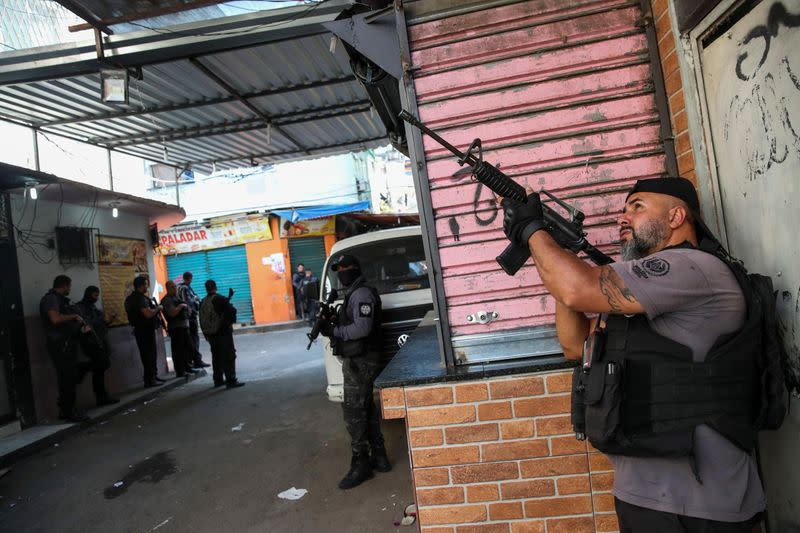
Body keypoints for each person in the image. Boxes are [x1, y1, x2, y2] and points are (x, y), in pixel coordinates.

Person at [500, 177, 765, 532]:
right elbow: (576, 345)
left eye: (637, 206)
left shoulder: (690, 267)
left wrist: (533, 229)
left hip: (700, 505)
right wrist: (562, 254)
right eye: (624, 209)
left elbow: (577, 289)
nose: (622, 217)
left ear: (676, 216)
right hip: (644, 496)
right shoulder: (642, 291)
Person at [320, 254, 391, 489]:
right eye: (338, 269)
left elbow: (362, 328)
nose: (342, 272)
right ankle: (380, 458)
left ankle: (361, 464)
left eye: (345, 268)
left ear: (355, 269)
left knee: (353, 412)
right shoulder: (353, 293)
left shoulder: (361, 294)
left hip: (363, 360)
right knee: (366, 408)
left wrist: (335, 331)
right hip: (359, 359)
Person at [39, 275, 89, 422]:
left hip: (66, 342)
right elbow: (55, 319)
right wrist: (73, 316)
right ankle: (68, 412)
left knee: (70, 377)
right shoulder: (51, 299)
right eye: (69, 286)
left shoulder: (59, 299)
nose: (70, 289)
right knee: (66, 378)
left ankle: (68, 409)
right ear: (65, 285)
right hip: (60, 344)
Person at [73, 286, 119, 407]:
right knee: (102, 364)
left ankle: (101, 396)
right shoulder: (79, 308)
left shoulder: (93, 308)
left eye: (97, 295)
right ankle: (85, 369)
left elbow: (100, 324)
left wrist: (108, 321)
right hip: (89, 343)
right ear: (88, 294)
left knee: (100, 369)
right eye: (94, 295)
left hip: (98, 341)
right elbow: (83, 326)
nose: (96, 298)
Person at [199, 280, 244, 389]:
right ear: (215, 287)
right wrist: (228, 322)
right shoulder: (219, 298)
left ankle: (218, 380)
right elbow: (232, 311)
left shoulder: (203, 301)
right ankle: (231, 380)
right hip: (223, 332)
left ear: (206, 289)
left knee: (216, 356)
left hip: (210, 334)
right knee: (228, 355)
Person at [124, 276, 167, 387]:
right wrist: (158, 308)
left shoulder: (130, 298)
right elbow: (147, 314)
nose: (147, 286)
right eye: (146, 284)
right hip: (144, 331)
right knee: (149, 355)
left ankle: (153, 377)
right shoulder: (139, 299)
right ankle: (150, 380)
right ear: (141, 285)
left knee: (148, 355)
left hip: (141, 330)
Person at [161, 280, 199, 379]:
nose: (175, 288)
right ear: (168, 288)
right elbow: (172, 313)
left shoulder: (176, 297)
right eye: (172, 287)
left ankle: (187, 367)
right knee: (178, 351)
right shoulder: (166, 300)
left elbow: (187, 308)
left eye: (174, 286)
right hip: (175, 328)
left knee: (189, 348)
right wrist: (181, 306)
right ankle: (180, 371)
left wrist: (187, 309)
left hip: (184, 326)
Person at [177, 272, 210, 369]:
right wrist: (195, 299)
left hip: (188, 317)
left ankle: (193, 360)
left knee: (191, 339)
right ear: (190, 278)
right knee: (194, 339)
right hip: (190, 317)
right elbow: (187, 301)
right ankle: (196, 360)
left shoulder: (181, 287)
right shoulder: (185, 288)